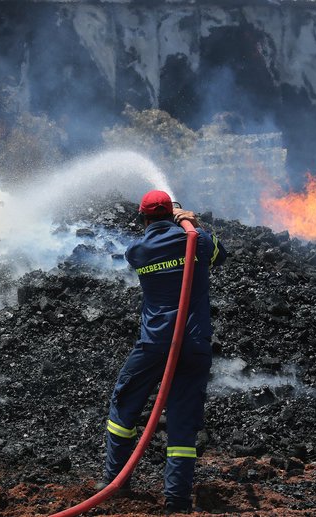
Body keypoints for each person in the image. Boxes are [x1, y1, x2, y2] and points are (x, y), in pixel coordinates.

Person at [98, 190, 227, 514]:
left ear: (143, 219)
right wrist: (190, 223)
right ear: (172, 214)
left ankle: (117, 481)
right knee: (182, 425)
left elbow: (143, 251)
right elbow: (220, 255)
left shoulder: (138, 251)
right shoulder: (196, 241)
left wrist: (176, 223)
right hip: (195, 344)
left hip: (155, 344)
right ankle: (177, 501)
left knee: (124, 403)